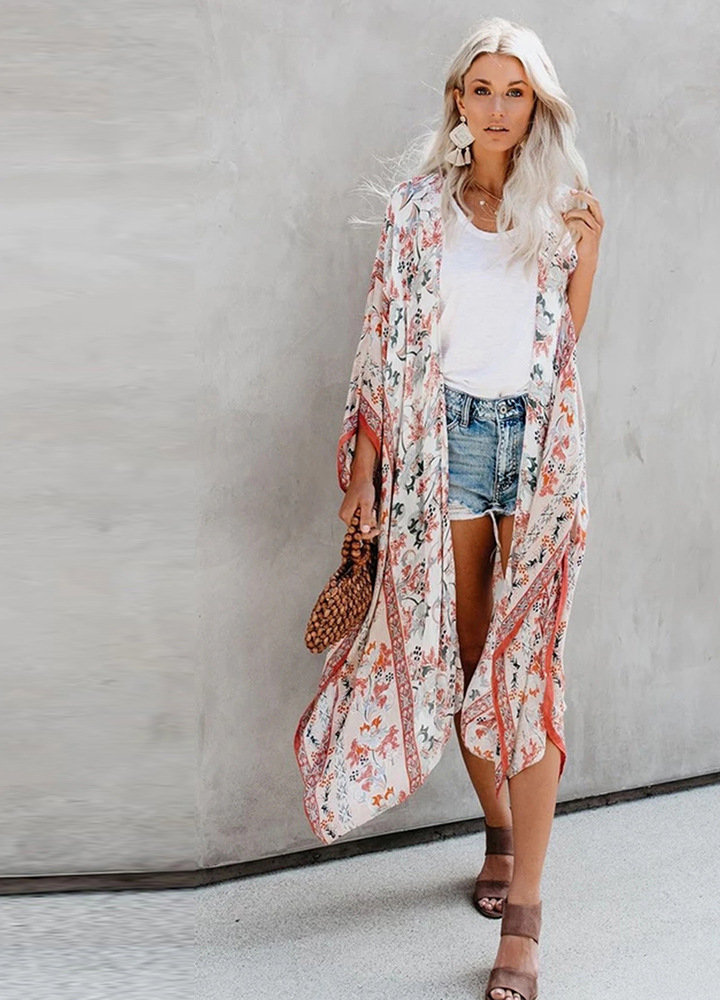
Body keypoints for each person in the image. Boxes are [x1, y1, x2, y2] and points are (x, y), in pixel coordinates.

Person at [295, 17, 603, 1000]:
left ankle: (524, 921)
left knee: (527, 671)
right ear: (458, 101)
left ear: (536, 103)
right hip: (442, 447)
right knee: (469, 656)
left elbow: (561, 351)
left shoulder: (566, 211)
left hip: (536, 449)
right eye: (483, 89)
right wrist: (364, 473)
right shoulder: (416, 211)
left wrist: (588, 252)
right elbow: (382, 346)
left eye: (516, 91)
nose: (499, 107)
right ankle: (500, 832)